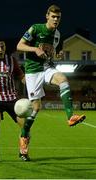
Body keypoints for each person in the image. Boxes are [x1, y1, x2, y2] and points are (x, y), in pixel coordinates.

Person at [16, 4, 86, 161]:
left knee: (63, 79)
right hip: (33, 72)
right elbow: (19, 45)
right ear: (47, 16)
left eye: (58, 17)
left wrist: (57, 56)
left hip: (46, 68)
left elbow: (53, 53)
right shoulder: (35, 28)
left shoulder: (57, 35)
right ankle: (23, 139)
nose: (56, 19)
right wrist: (35, 49)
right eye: (53, 16)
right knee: (35, 108)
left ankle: (70, 117)